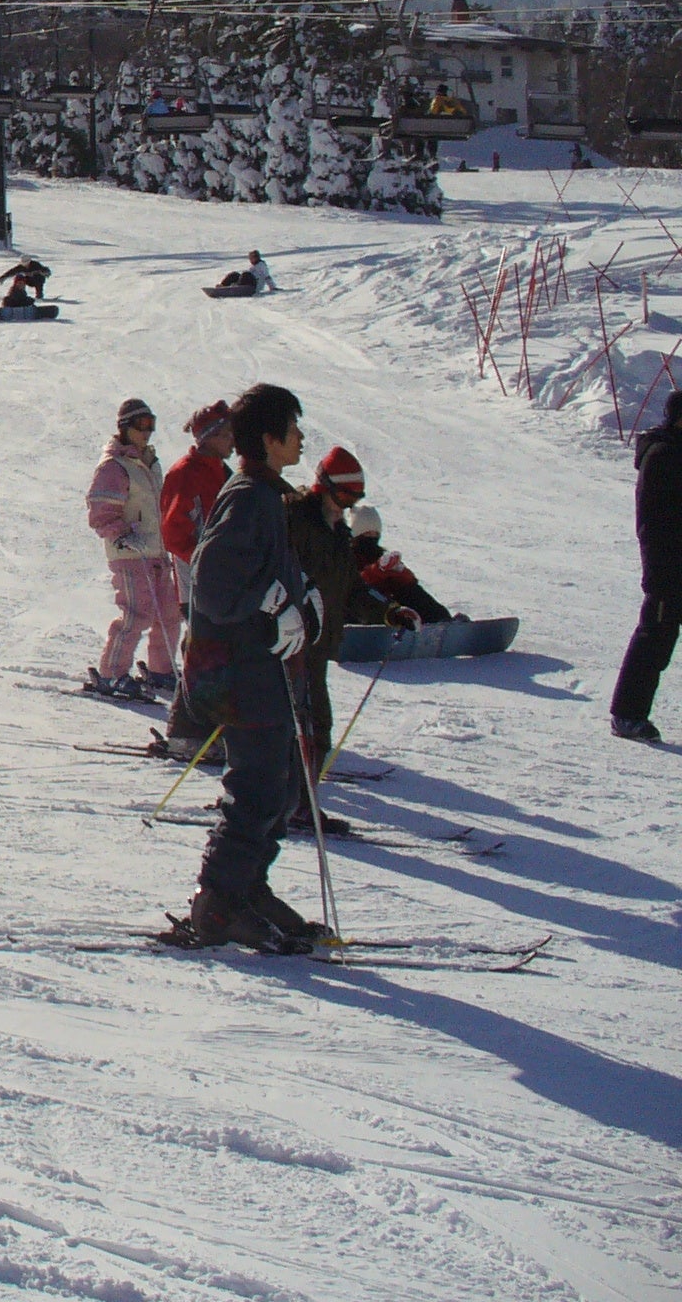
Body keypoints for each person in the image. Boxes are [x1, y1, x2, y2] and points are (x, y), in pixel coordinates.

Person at [168, 382, 327, 954]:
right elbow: (213, 583)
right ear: (269, 438)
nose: (301, 438)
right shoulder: (247, 495)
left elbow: (258, 567)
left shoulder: (264, 494)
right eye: (293, 429)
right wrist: (273, 602)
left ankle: (247, 887)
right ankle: (218, 904)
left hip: (257, 669)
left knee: (282, 783)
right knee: (258, 788)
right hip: (237, 672)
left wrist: (299, 592)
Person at [282, 446, 364, 834]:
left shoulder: (336, 529)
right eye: (345, 496)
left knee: (315, 722)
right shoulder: (296, 517)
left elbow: (350, 587)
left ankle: (298, 800)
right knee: (302, 722)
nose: (348, 505)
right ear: (325, 486)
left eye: (356, 499)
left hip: (317, 643)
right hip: (291, 640)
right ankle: (293, 805)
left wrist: (389, 611)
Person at [84, 398, 179, 698]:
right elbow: (100, 511)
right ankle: (112, 674)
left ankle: (162, 671)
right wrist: (122, 535)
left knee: (169, 613)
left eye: (151, 424)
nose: (148, 431)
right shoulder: (114, 466)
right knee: (136, 614)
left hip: (155, 551)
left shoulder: (148, 462)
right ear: (125, 427)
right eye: (141, 425)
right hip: (129, 554)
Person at [159, 401, 234, 757]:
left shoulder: (222, 471)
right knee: (203, 655)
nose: (234, 440)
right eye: (228, 433)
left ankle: (213, 728)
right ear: (210, 436)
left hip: (222, 581)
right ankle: (187, 733)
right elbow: (174, 534)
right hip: (198, 583)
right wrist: (206, 563)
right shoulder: (186, 472)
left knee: (219, 654)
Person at [613, 389, 682, 742]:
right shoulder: (663, 457)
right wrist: (659, 575)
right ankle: (627, 715)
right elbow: (653, 525)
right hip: (669, 570)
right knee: (655, 639)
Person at [345, 506, 455, 626]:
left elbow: (410, 583)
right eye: (367, 534)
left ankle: (442, 620)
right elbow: (353, 586)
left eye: (375, 534)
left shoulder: (380, 556)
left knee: (410, 591)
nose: (371, 538)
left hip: (385, 609)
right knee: (367, 596)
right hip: (358, 613)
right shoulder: (345, 557)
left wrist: (400, 572)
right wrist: (378, 571)